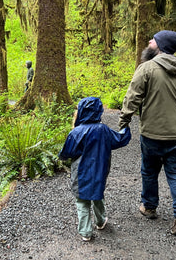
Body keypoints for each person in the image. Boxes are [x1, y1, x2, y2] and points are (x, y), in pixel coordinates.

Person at [118, 30, 176, 236]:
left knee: (149, 169)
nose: (149, 41)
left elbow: (132, 97)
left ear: (160, 46)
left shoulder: (147, 68)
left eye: (153, 40)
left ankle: (150, 206)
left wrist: (123, 121)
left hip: (152, 133)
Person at [59, 96, 131, 242]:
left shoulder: (76, 132)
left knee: (82, 201)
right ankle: (100, 221)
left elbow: (66, 152)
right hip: (100, 170)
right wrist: (125, 127)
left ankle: (86, 232)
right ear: (98, 111)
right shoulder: (103, 130)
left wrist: (63, 158)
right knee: (98, 195)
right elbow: (119, 139)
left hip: (80, 173)